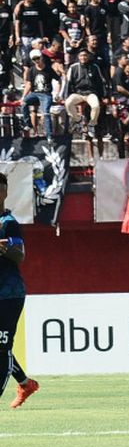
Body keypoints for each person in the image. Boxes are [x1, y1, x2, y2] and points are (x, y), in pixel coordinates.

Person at [0, 173, 40, 409]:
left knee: (2, 346)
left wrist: (3, 250)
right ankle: (25, 383)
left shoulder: (8, 223)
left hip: (9, 293)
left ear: (4, 193)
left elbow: (20, 254)